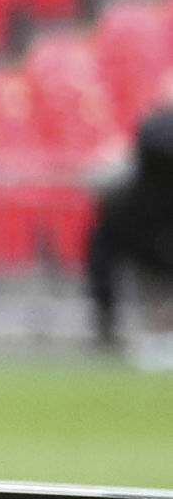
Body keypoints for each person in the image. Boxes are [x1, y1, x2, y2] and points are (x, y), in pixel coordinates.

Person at [83, 107, 173, 350]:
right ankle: (106, 325)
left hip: (161, 235)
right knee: (103, 243)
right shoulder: (156, 131)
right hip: (144, 232)